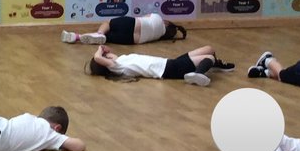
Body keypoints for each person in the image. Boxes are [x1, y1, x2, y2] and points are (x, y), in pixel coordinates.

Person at [85, 43, 233, 87]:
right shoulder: (116, 67)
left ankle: (213, 64)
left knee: (209, 49)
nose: (107, 54)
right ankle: (199, 73)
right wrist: (99, 49)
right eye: (106, 56)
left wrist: (106, 51)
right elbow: (98, 58)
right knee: (207, 56)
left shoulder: (120, 61)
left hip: (169, 62)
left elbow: (107, 56)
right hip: (168, 70)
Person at [61, 13, 185, 45]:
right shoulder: (158, 37)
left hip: (134, 24)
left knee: (108, 23)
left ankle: (98, 33)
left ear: (167, 23)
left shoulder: (157, 18)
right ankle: (77, 37)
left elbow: (144, 17)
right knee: (107, 38)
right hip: (132, 40)